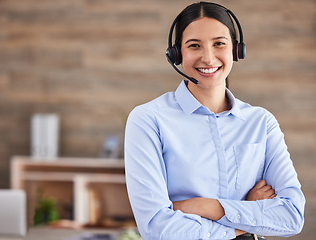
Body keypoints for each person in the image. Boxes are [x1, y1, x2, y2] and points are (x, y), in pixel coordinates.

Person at [124, 2, 305, 240]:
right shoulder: (148, 120)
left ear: (236, 50)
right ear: (176, 54)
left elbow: (292, 217)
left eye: (219, 43)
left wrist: (203, 206)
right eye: (194, 46)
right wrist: (249, 218)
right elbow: (158, 228)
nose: (208, 58)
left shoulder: (261, 122)